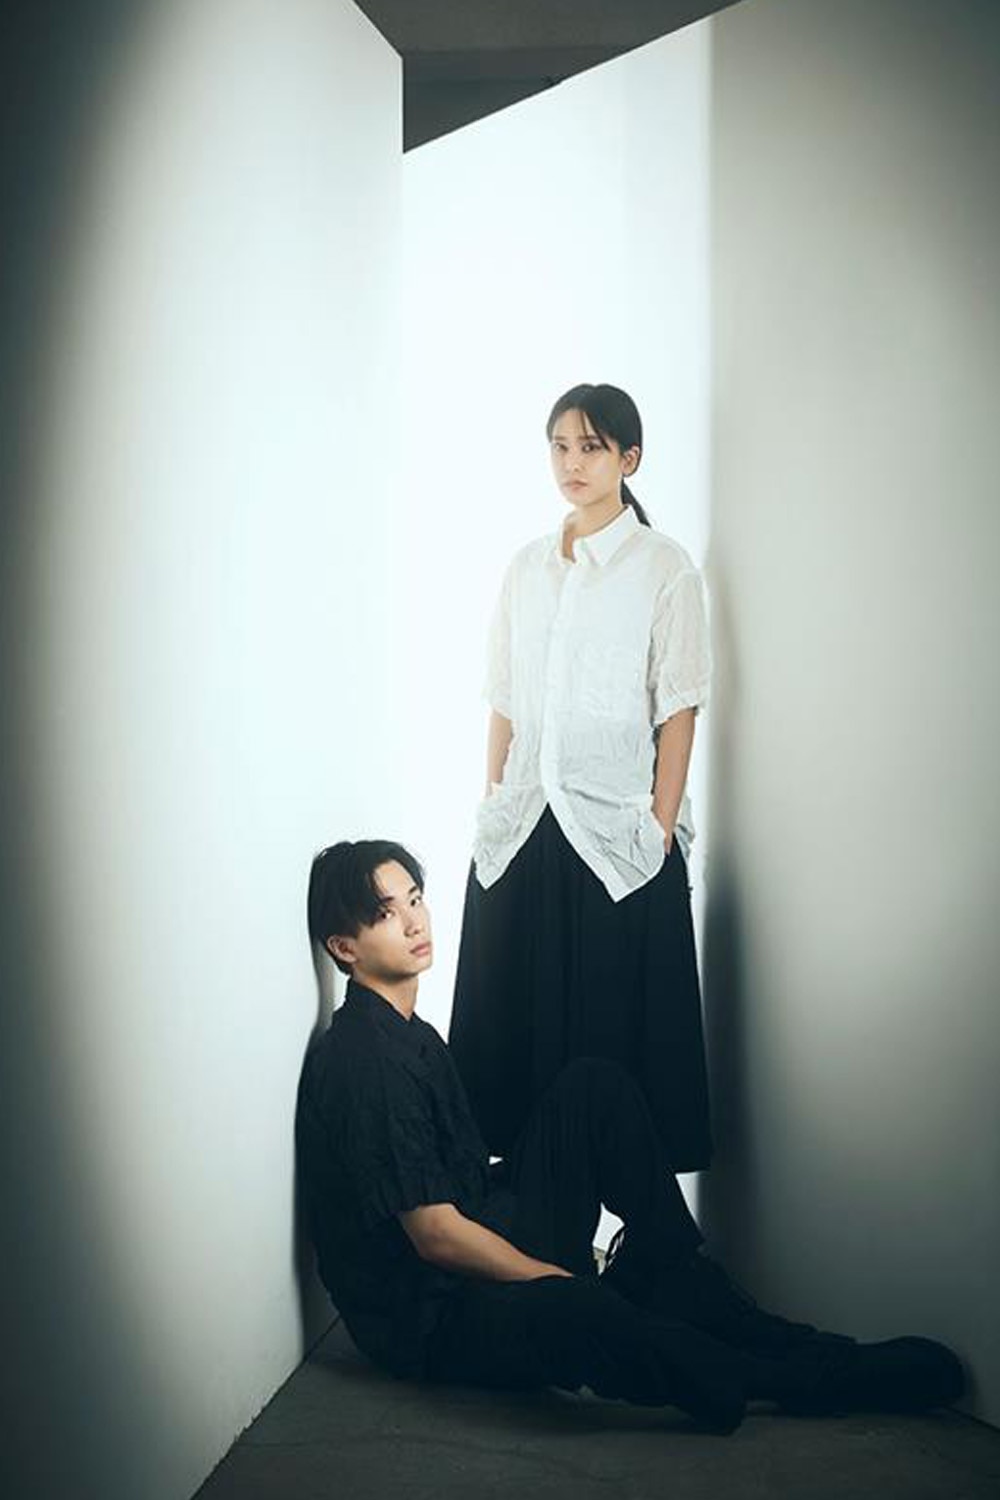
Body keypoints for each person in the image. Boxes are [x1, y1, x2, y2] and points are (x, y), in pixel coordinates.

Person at [295, 839, 963, 1432]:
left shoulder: (410, 1034)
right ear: (344, 947)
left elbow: (462, 1194)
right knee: (583, 1311)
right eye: (386, 913)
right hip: (432, 1315)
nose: (415, 922)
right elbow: (435, 1236)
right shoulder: (364, 1060)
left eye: (415, 899)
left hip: (477, 1229)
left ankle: (680, 1274)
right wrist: (555, 1280)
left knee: (592, 1087)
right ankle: (794, 1377)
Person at [449, 383, 713, 1166]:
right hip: (523, 830)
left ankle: (635, 1226)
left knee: (613, 1057)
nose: (572, 463)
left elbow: (679, 706)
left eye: (591, 447)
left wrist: (657, 828)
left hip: (615, 842)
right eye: (560, 446)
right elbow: (504, 701)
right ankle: (533, 1225)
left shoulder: (665, 567)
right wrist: (495, 800)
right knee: (513, 1063)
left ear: (630, 459)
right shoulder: (526, 568)